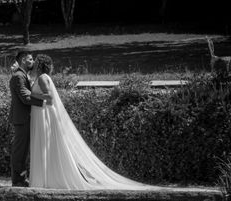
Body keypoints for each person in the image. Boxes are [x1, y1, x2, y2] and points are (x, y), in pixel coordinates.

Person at [29, 54, 158, 190]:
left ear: (40, 64)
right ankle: (45, 178)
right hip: (40, 113)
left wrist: (31, 94)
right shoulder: (39, 77)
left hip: (45, 115)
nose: (34, 63)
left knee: (45, 146)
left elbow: (49, 98)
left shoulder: (43, 78)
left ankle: (48, 180)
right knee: (43, 146)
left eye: (36, 61)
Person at [9, 51, 51, 187]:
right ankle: (18, 180)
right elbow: (25, 97)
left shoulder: (22, 75)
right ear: (23, 61)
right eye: (30, 59)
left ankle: (22, 178)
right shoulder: (18, 76)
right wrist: (43, 103)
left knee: (24, 150)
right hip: (22, 119)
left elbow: (27, 94)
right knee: (20, 150)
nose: (33, 62)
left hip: (25, 118)